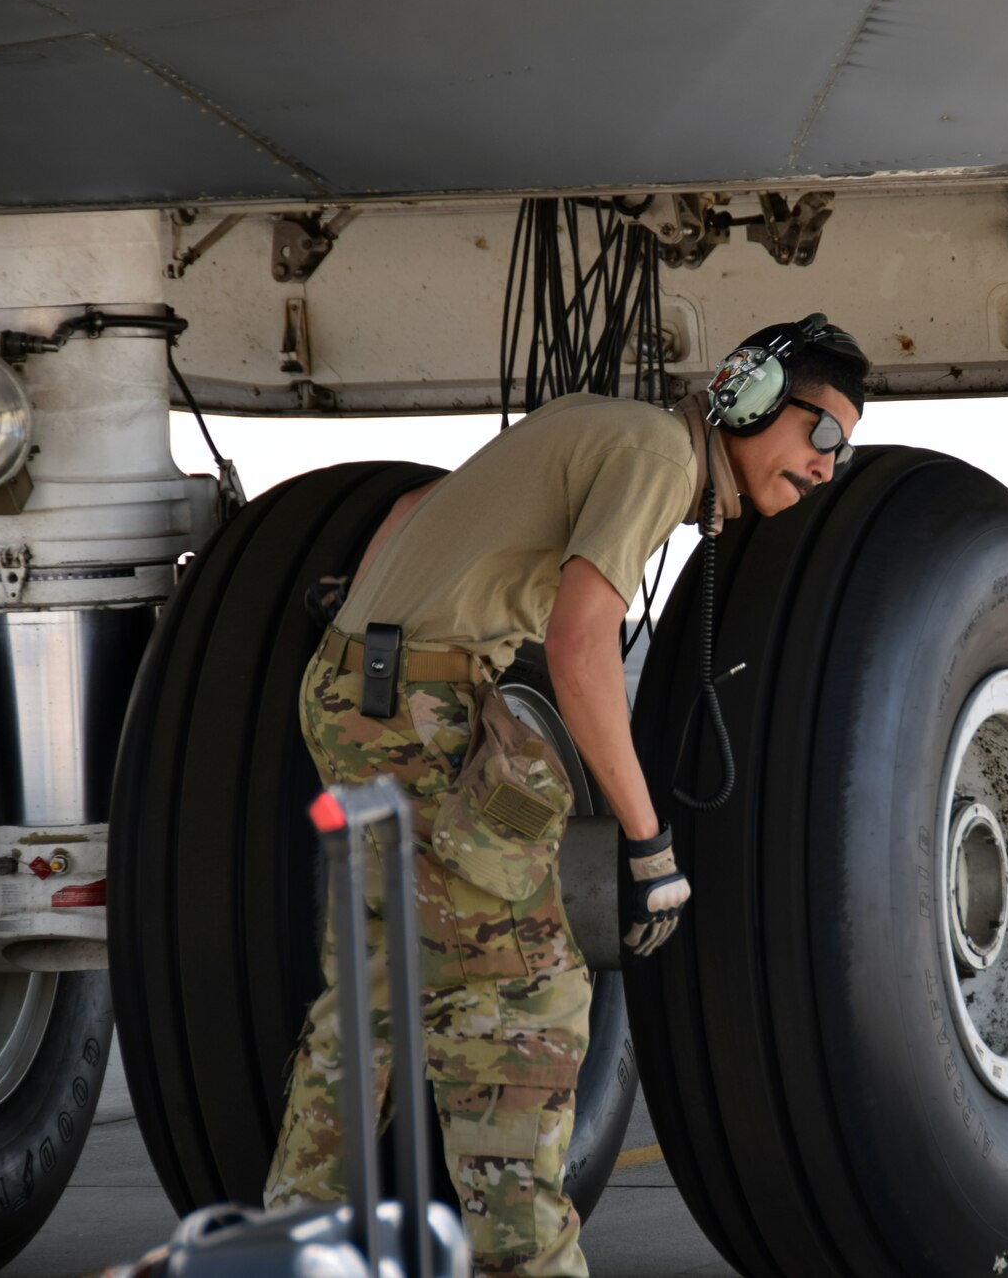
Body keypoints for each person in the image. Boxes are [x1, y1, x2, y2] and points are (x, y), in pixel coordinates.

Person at [262, 315, 866, 1276]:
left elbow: (419, 505)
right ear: (748, 396)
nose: (828, 466)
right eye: (821, 434)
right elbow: (584, 646)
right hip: (417, 702)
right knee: (525, 990)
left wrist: (396, 611)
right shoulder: (662, 456)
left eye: (844, 449)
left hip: (358, 689)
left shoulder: (623, 431)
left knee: (382, 989)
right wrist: (648, 842)